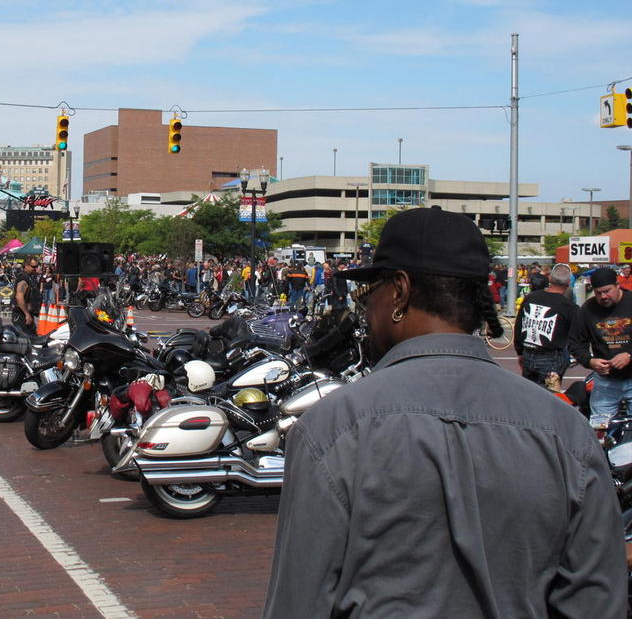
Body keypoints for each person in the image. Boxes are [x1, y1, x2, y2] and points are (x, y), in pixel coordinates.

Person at [263, 207, 623, 618]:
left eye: (369, 294)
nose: (366, 310)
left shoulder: (332, 427)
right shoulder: (566, 430)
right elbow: (596, 602)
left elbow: (298, 601)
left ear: (399, 291)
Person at [570, 267, 632, 428]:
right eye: (598, 293)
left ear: (617, 285)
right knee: (599, 430)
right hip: (605, 382)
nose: (603, 296)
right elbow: (576, 343)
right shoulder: (588, 309)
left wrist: (629, 355)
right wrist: (590, 361)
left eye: (607, 291)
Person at [514, 263, 578, 386]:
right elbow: (576, 335)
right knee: (550, 394)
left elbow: (519, 325)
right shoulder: (569, 307)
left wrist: (520, 351)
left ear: (550, 278)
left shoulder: (531, 297)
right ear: (568, 282)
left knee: (529, 392)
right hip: (551, 357)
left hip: (528, 352)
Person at [12, 258, 41, 336]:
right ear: (26, 265)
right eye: (33, 267)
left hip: (28, 314)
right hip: (22, 316)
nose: (35, 269)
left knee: (33, 338)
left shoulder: (30, 277)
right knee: (26, 339)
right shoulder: (23, 278)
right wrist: (26, 314)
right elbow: (19, 297)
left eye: (36, 266)